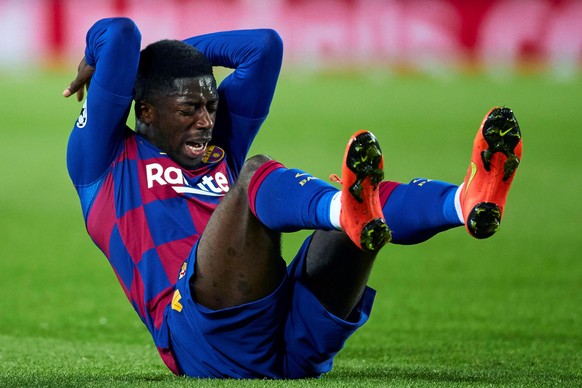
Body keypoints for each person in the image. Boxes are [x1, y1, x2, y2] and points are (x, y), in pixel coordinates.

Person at [64, 17, 522, 379]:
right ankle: (344, 209)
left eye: (210, 107)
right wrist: (118, 61)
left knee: (364, 204)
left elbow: (263, 47)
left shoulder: (216, 145)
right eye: (188, 109)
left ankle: (463, 201)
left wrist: (174, 64)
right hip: (201, 337)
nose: (205, 121)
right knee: (257, 176)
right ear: (144, 110)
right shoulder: (104, 161)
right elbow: (120, 35)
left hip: (291, 339)